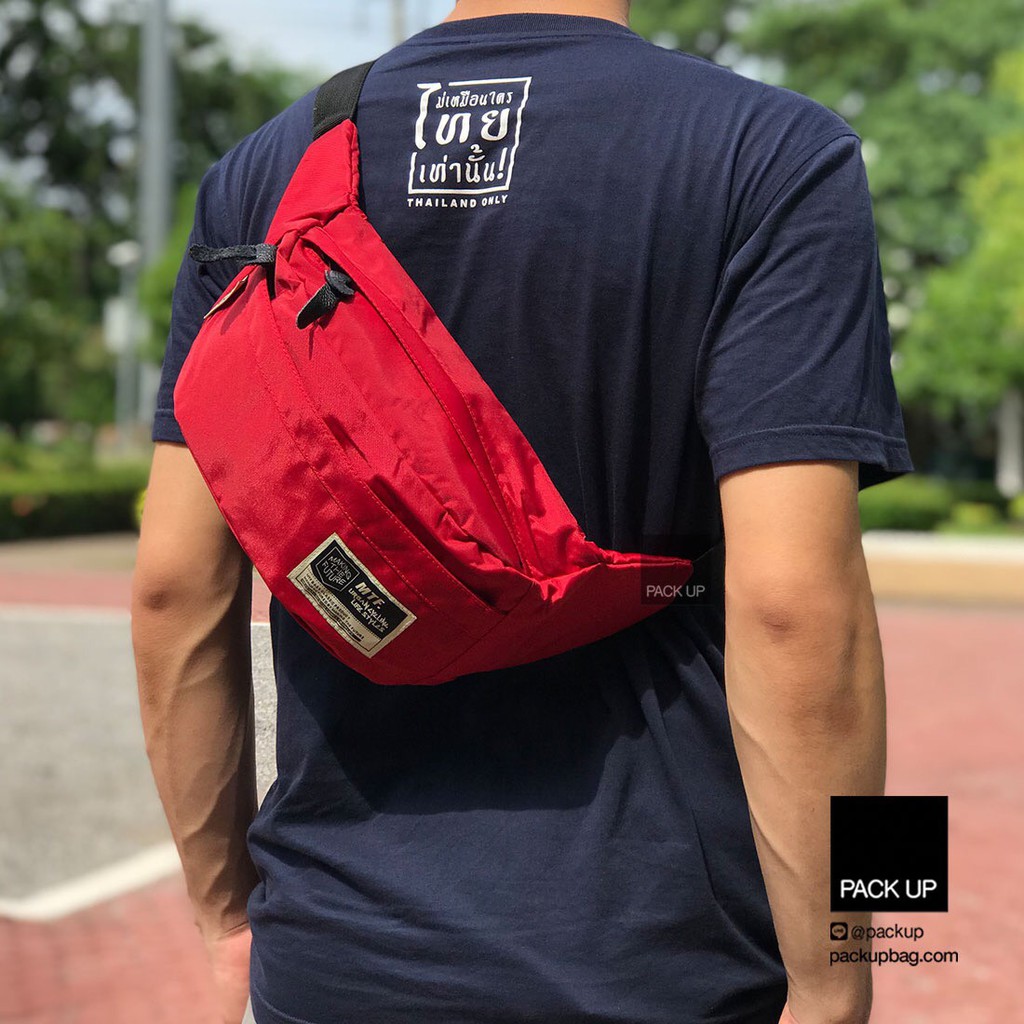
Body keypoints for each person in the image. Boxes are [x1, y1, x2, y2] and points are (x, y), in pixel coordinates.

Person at [132, 1, 913, 1022]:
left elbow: (172, 589)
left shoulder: (262, 170)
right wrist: (842, 975)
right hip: (674, 963)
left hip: (334, 949)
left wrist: (226, 914)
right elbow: (801, 612)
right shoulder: (772, 148)